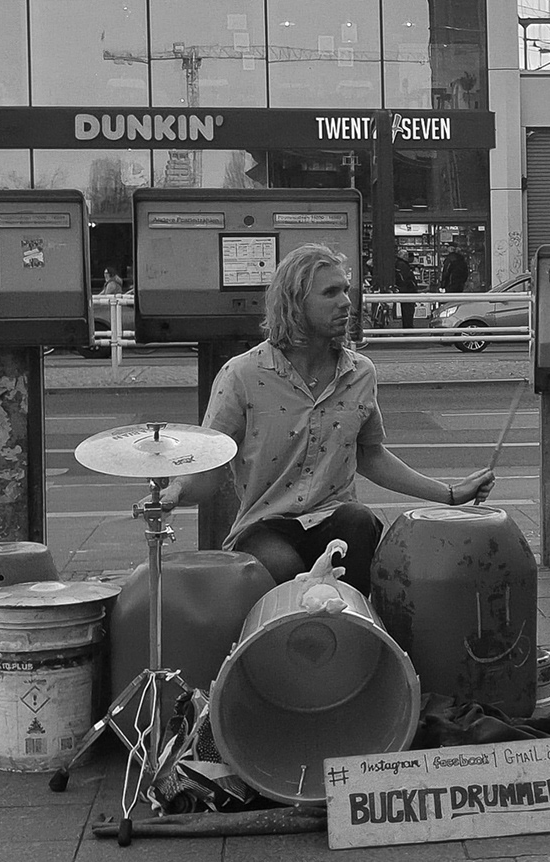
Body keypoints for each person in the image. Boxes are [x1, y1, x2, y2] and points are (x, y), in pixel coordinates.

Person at [156, 244, 493, 600]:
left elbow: (370, 455)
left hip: (336, 516)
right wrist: (175, 491)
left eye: (345, 290)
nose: (346, 302)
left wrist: (450, 494)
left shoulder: (360, 373)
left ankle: (359, 639)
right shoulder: (242, 375)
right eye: (330, 293)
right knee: (285, 569)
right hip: (266, 523)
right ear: (294, 304)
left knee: (359, 523)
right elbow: (213, 464)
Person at [393, 253, 417, 329]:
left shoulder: (398, 264)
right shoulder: (403, 265)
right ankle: (408, 327)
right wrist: (412, 285)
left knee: (406, 309)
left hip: (404, 290)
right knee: (408, 310)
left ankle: (407, 327)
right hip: (408, 290)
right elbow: (406, 278)